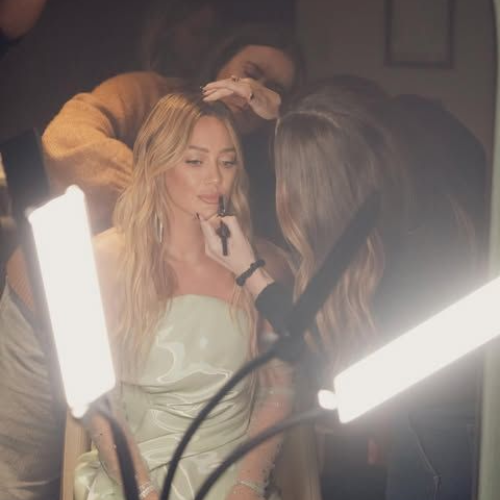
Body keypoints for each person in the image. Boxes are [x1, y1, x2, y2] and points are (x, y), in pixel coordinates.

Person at [198, 82, 484, 500]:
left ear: (313, 197)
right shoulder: (412, 191)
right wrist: (289, 114)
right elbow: (364, 132)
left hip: (444, 433)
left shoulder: (403, 272)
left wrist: (249, 272)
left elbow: (313, 347)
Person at [70, 90, 318, 500]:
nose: (215, 179)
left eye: (227, 162)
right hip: (132, 477)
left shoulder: (264, 265)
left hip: (234, 476)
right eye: (195, 161)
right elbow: (98, 401)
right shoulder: (106, 261)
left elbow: (279, 389)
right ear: (158, 163)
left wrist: (247, 486)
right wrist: (144, 491)